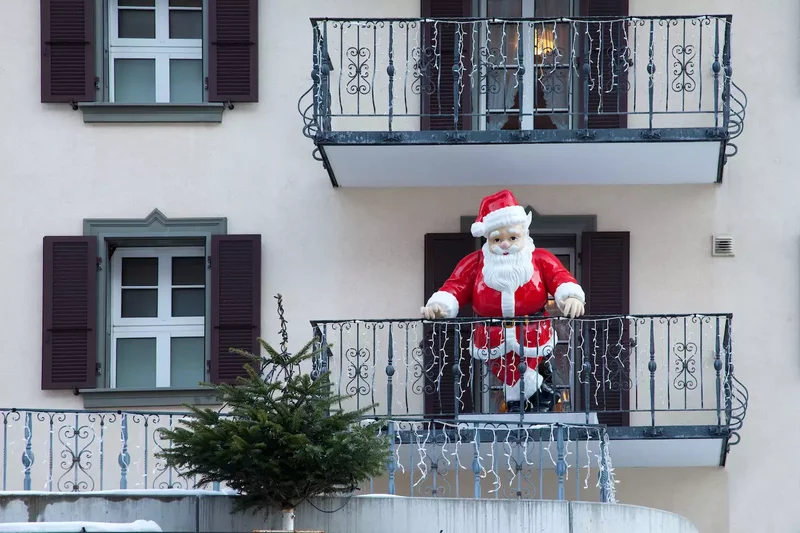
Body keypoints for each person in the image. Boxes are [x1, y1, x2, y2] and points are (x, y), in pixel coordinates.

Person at [421, 190, 586, 412]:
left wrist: (571, 296)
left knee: (530, 374)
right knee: (507, 376)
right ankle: (527, 403)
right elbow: (455, 286)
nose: (505, 244)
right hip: (492, 336)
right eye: (497, 239)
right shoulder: (476, 263)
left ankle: (533, 404)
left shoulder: (540, 258)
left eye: (512, 238)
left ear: (523, 234)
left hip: (534, 333)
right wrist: (440, 305)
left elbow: (560, 278)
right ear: (488, 239)